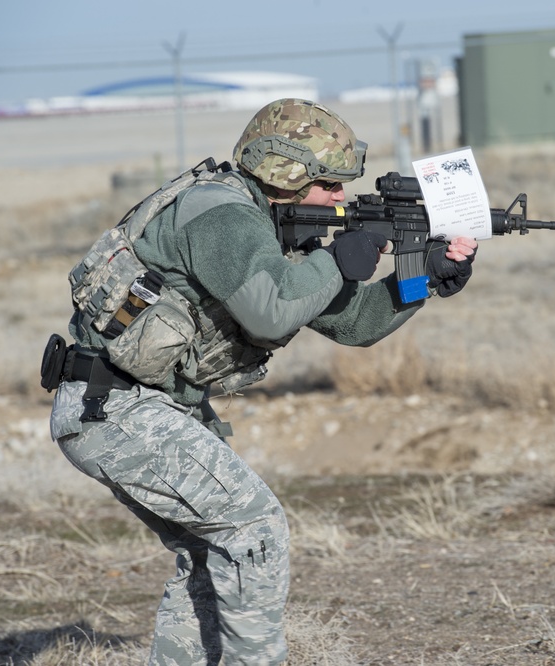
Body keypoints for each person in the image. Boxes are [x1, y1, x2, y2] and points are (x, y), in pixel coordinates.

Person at [46, 98, 477, 665]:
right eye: (329, 184)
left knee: (211, 552)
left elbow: (352, 324)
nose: (339, 198)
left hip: (138, 407)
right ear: (285, 173)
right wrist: (340, 260)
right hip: (113, 408)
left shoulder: (270, 225)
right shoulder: (221, 214)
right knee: (254, 526)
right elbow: (272, 312)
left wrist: (422, 282)